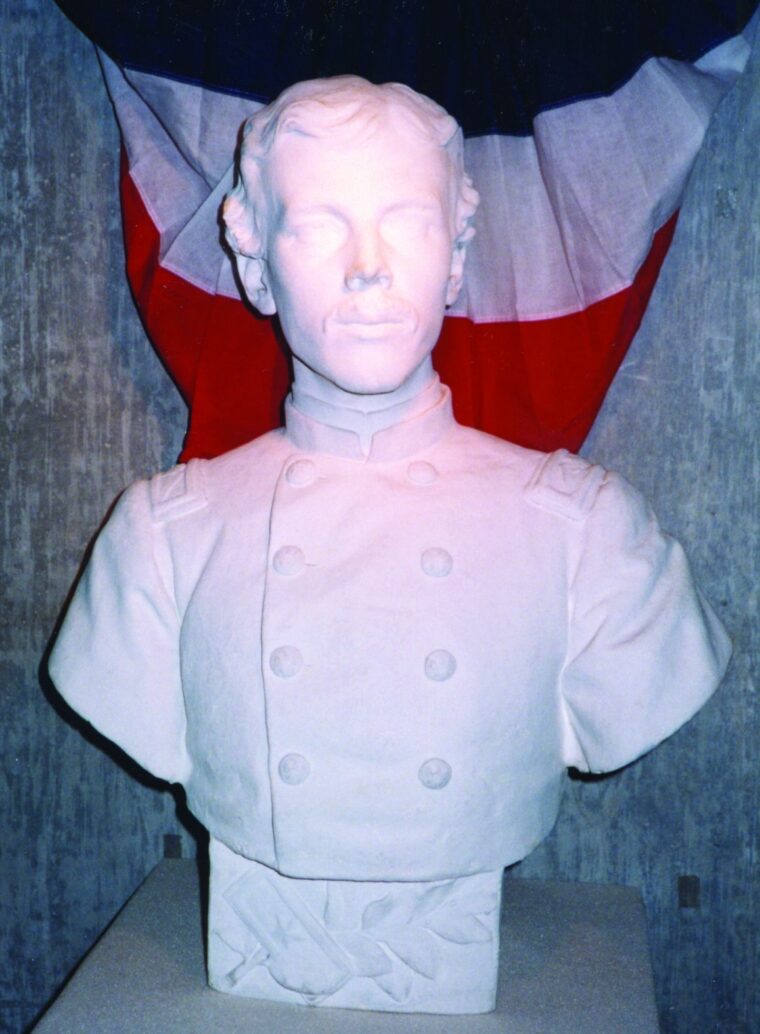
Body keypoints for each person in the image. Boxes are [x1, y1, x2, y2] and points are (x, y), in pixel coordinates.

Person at [49, 76, 730, 1014]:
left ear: (454, 257)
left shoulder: (587, 534)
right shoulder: (164, 539)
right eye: (321, 225)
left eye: (405, 223)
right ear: (254, 263)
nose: (367, 268)